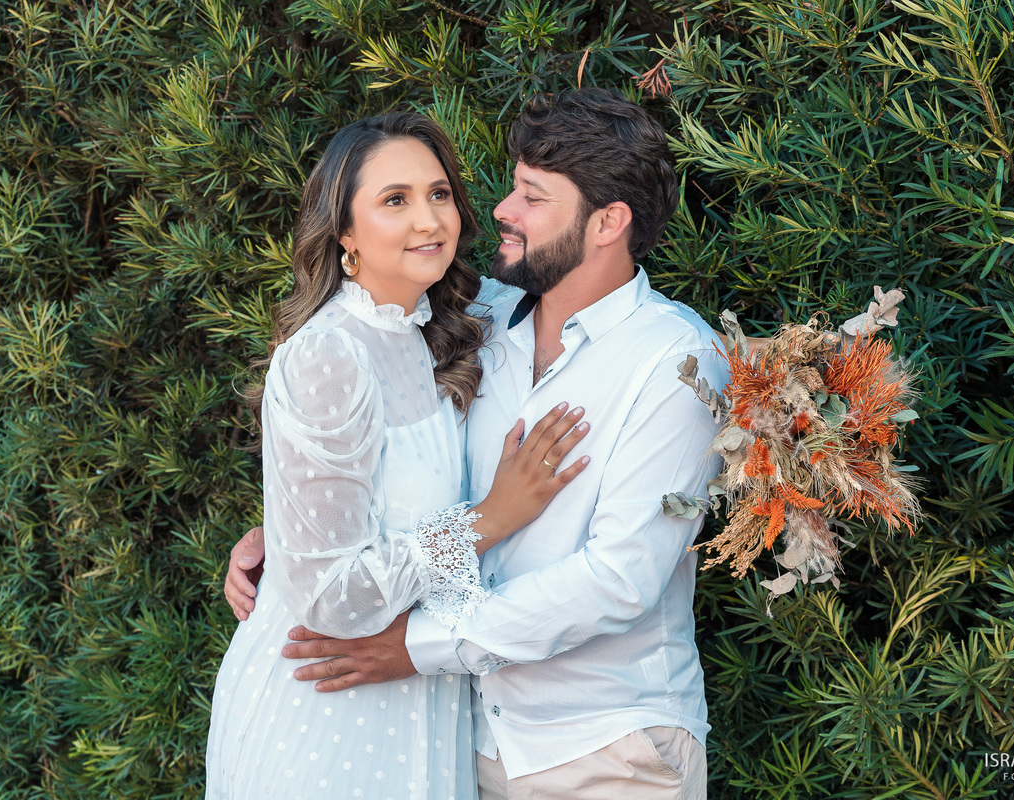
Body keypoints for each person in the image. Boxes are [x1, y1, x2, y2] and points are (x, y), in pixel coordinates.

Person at [226, 88, 729, 799]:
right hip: (466, 742)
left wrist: (414, 650)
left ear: (607, 222)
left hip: (604, 749)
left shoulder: (677, 364)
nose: (499, 209)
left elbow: (620, 579)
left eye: (532, 196)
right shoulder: (476, 324)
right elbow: (386, 461)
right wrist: (297, 530)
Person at [205, 112, 592, 800]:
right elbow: (330, 598)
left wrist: (285, 533)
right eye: (395, 200)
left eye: (438, 194)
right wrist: (488, 520)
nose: (427, 220)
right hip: (327, 707)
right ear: (344, 233)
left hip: (419, 699)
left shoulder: (435, 330)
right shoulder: (331, 353)